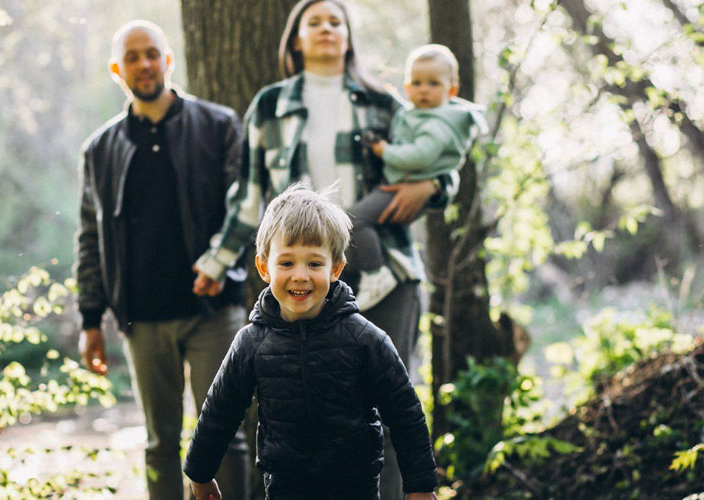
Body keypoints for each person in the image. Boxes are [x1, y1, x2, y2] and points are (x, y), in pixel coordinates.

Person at [190, 1, 449, 497]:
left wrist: (436, 187)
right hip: (302, 269)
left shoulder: (384, 103)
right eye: (315, 21)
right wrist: (218, 261)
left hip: (385, 269)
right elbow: (248, 197)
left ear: (349, 38)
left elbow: (442, 146)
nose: (327, 29)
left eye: (337, 21)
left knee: (391, 404)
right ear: (296, 39)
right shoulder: (269, 106)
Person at [73, 20, 250, 500]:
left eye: (152, 53)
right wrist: (91, 317)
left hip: (214, 310)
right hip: (142, 317)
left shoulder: (219, 126)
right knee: (159, 443)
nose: (144, 63)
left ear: (168, 60)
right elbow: (90, 235)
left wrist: (224, 265)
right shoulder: (100, 149)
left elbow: (247, 207)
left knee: (229, 436)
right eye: (132, 56)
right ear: (117, 70)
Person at [183, 184, 438, 500]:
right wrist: (200, 474)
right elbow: (220, 412)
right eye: (287, 263)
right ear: (264, 267)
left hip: (354, 486)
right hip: (287, 486)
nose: (300, 276)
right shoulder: (252, 343)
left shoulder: (364, 339)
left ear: (336, 268)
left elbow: (405, 413)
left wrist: (420, 487)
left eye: (314, 264)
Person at [350, 43, 487, 310]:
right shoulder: (418, 114)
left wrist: (384, 150)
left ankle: (376, 275)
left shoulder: (439, 122)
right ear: (407, 86)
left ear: (452, 90)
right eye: (416, 82)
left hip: (409, 186)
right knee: (361, 222)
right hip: (400, 184)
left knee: (353, 220)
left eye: (433, 84)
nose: (424, 89)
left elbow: (419, 156)